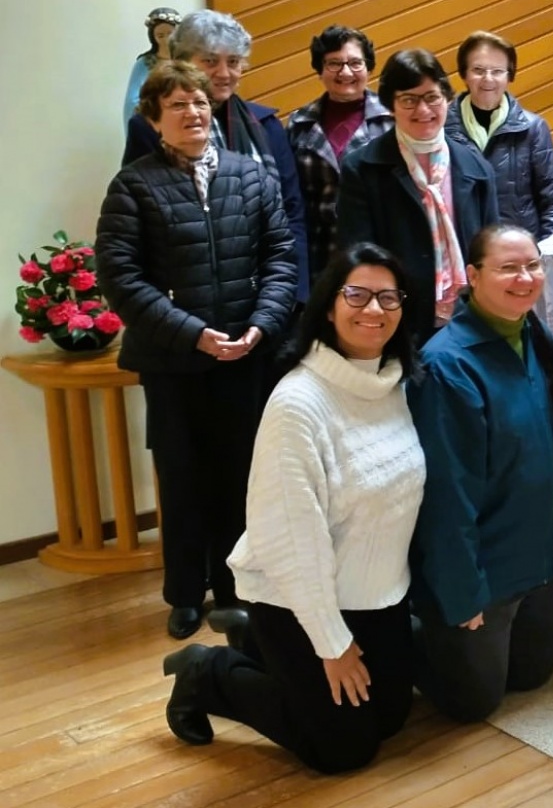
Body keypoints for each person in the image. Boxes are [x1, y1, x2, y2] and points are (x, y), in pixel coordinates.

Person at [159, 244, 424, 772]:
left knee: (392, 718)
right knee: (343, 747)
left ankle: (256, 649)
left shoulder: (391, 382)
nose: (373, 309)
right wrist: (331, 642)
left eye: (388, 297)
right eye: (357, 294)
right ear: (329, 305)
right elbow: (292, 541)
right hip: (296, 593)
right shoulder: (299, 403)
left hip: (376, 593)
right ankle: (208, 673)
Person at [96, 61, 298, 639]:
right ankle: (185, 594)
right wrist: (192, 333)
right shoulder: (133, 184)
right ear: (155, 119)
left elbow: (280, 258)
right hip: (174, 362)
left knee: (241, 477)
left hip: (246, 353)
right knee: (182, 480)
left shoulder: (249, 176)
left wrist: (262, 324)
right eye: (178, 105)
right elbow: (121, 277)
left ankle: (237, 588)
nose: (193, 114)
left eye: (201, 103)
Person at [408, 224, 553, 722]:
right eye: (508, 268)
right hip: (481, 568)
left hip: (533, 559)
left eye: (533, 265)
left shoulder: (530, 335)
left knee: (535, 675)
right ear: (471, 275)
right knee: (471, 704)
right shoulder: (447, 364)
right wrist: (461, 591)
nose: (525, 278)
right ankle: (400, 630)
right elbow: (446, 493)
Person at [124, 9, 311, 303]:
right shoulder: (149, 128)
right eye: (210, 61)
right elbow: (140, 228)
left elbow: (292, 213)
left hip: (268, 293)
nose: (224, 74)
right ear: (181, 63)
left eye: (233, 62)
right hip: (187, 299)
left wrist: (296, 296)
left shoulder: (267, 125)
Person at [336, 49, 498, 339]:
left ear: (447, 98)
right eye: (409, 100)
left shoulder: (476, 167)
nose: (423, 111)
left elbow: (491, 251)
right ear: (390, 105)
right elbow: (359, 257)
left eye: (432, 97)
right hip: (397, 322)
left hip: (469, 318)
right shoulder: (362, 169)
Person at [286, 26, 393, 282]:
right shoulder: (299, 124)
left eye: (355, 63)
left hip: (378, 250)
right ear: (320, 69)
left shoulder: (392, 121)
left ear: (368, 67)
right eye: (334, 63)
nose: (345, 72)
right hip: (318, 255)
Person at [443, 31, 553, 240]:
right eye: (478, 70)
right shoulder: (443, 127)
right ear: (464, 74)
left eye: (498, 71)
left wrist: (541, 255)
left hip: (519, 255)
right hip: (461, 252)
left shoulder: (533, 128)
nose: (488, 79)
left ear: (509, 76)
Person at [122, 6, 181, 131]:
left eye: (170, 34)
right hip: (156, 122)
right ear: (153, 37)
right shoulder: (145, 63)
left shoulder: (187, 58)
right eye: (160, 35)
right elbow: (133, 100)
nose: (166, 40)